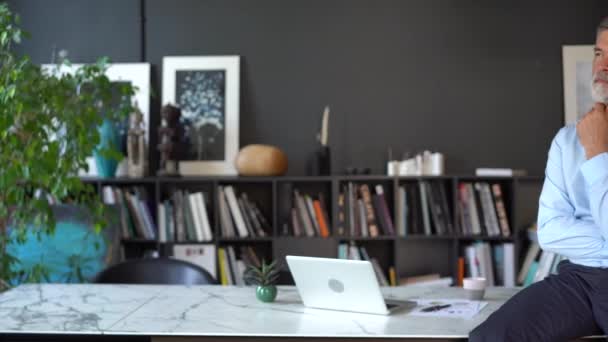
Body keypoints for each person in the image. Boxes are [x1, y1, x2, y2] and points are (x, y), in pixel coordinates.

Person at [470, 17, 608, 341]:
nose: (603, 66)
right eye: (599, 53)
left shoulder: (589, 143)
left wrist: (599, 154)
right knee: (488, 338)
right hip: (581, 281)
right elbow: (549, 231)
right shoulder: (567, 141)